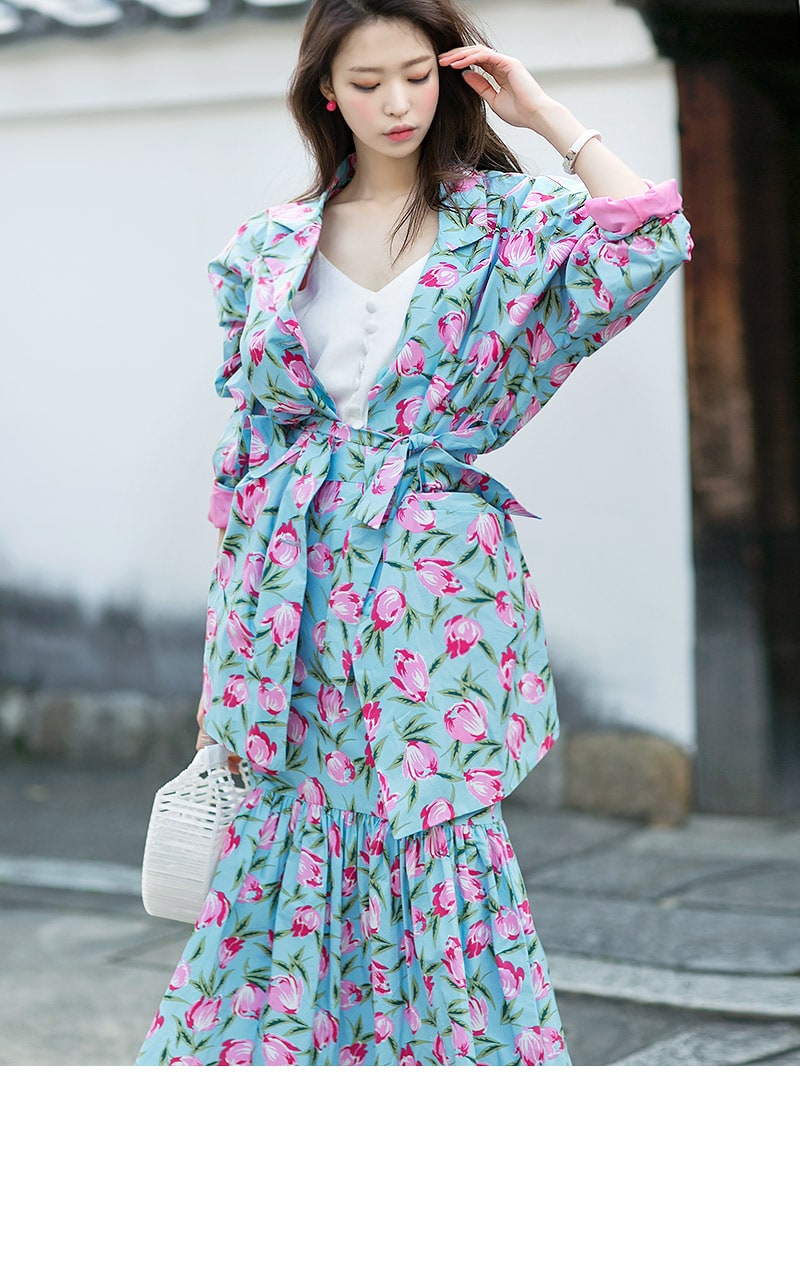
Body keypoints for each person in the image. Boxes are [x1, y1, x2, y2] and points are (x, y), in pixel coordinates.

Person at [135, 0, 692, 1067]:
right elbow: (245, 467)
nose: (396, 102)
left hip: (431, 591)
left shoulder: (506, 221)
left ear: (449, 77)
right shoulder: (267, 247)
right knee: (288, 836)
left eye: (416, 74)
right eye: (367, 81)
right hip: (290, 600)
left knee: (434, 831)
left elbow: (647, 238)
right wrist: (222, 670)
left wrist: (542, 114)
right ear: (325, 94)